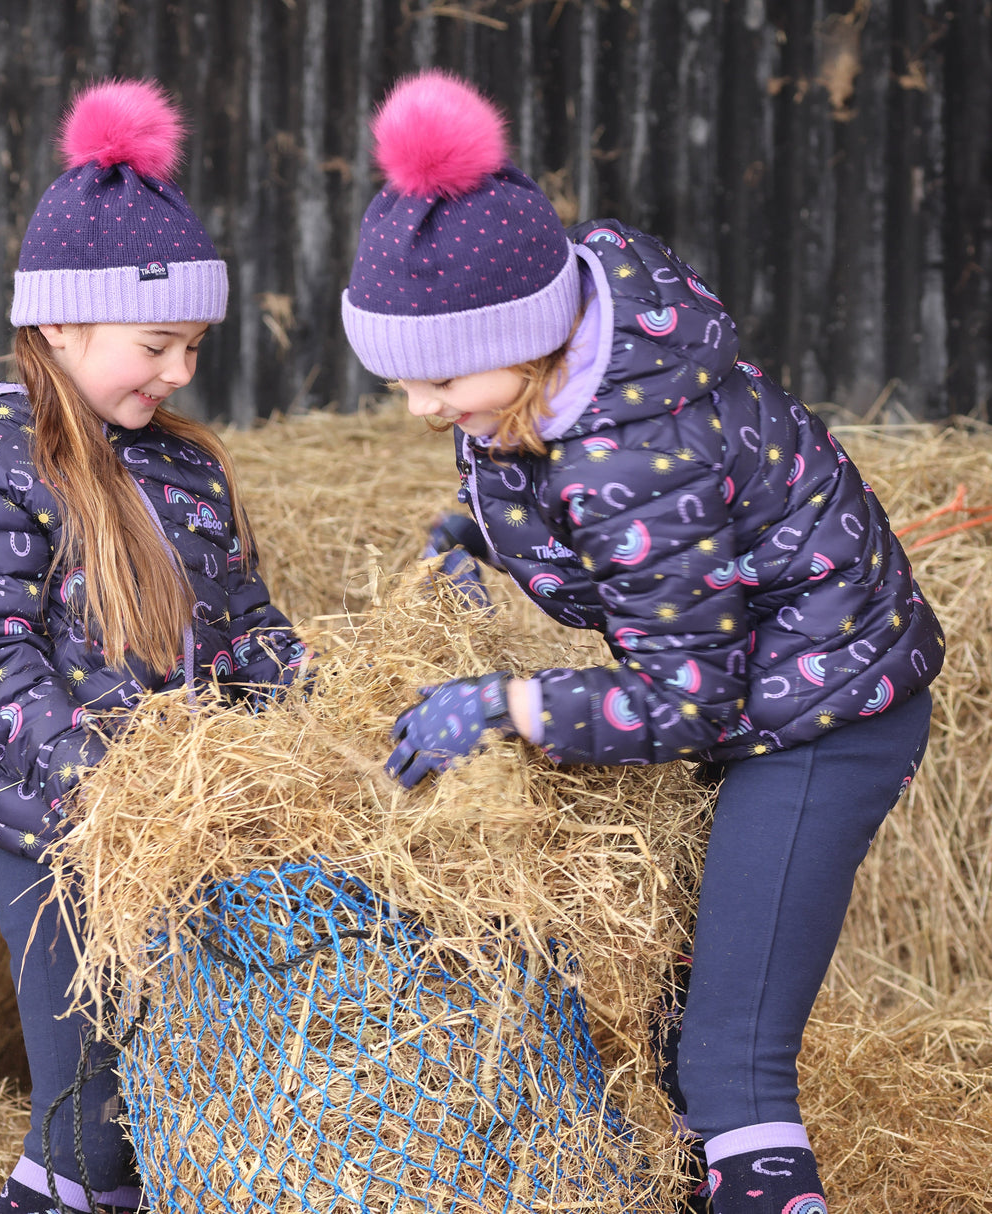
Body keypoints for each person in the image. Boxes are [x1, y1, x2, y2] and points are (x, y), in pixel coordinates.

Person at [340, 70, 943, 1214]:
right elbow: (551, 493)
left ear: (525, 335)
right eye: (400, 377)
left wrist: (505, 704)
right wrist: (469, 530)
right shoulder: (557, 354)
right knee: (663, 1024)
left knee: (727, 1059)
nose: (420, 408)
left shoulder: (627, 452)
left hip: (826, 712)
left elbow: (681, 702)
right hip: (763, 685)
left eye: (441, 376)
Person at [0, 79, 307, 1214]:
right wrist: (105, 787)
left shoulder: (185, 463)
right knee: (91, 1120)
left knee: (168, 1104)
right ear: (60, 322)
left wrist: (315, 706)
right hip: (64, 842)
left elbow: (245, 620)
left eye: (194, 346)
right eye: (158, 343)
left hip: (192, 839)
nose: (177, 374)